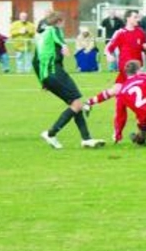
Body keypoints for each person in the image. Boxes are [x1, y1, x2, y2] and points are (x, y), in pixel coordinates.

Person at [33, 11, 105, 149]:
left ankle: (86, 139)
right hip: (56, 72)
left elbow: (34, 62)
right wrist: (64, 46)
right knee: (77, 104)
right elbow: (59, 38)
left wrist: (42, 81)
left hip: (47, 76)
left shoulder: (40, 38)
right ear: (59, 21)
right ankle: (51, 133)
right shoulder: (54, 30)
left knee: (75, 103)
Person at [83, 10, 146, 129]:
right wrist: (108, 55)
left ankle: (89, 102)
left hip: (137, 70)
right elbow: (108, 48)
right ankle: (141, 126)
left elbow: (144, 48)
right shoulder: (120, 33)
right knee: (137, 97)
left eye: (138, 17)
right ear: (128, 18)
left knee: (116, 91)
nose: (137, 19)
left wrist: (145, 48)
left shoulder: (141, 32)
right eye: (135, 17)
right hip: (126, 70)